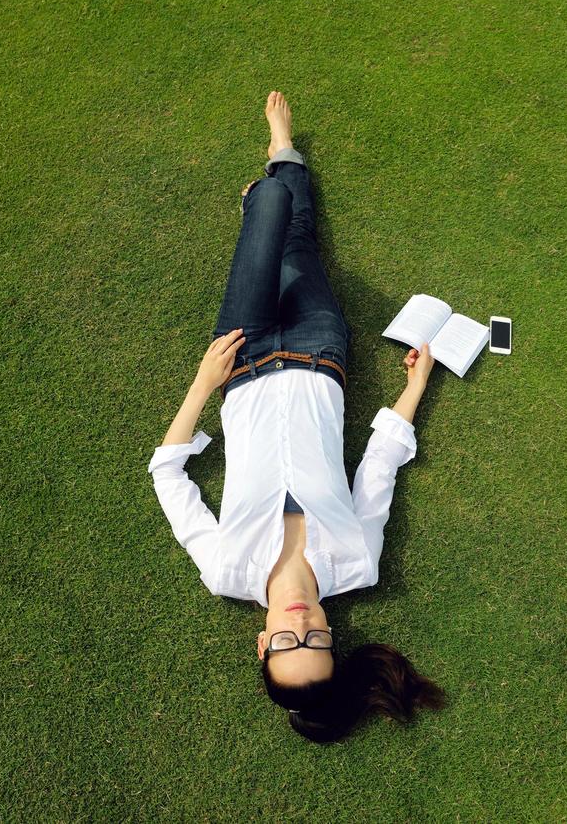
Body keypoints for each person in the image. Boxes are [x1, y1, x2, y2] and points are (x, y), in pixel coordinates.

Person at [147, 91, 446, 743]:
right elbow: (379, 468)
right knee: (296, 241)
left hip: (242, 357)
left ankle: (270, 193)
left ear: (261, 644)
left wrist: (203, 383)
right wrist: (417, 387)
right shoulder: (357, 559)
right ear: (333, 638)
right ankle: (282, 149)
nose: (299, 619)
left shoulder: (225, 568)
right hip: (318, 351)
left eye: (286, 638)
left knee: (274, 208)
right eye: (314, 636)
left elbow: (168, 478)